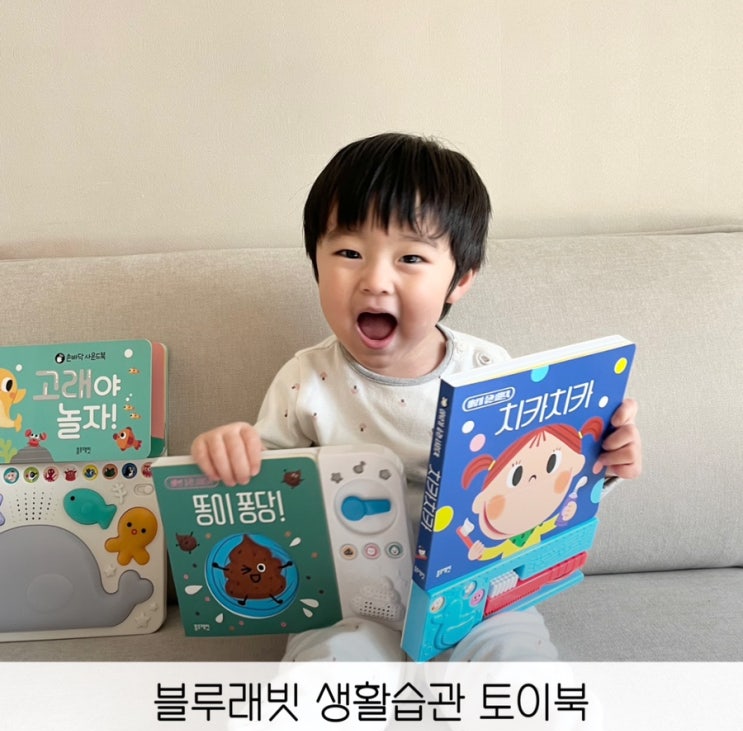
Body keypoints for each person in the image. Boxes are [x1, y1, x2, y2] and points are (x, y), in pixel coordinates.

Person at [191, 132, 642, 665]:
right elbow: (263, 497)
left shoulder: (490, 371)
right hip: (349, 604)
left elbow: (537, 486)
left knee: (516, 666)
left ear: (460, 279)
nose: (375, 280)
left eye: (410, 257)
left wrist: (604, 459)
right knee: (328, 669)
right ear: (315, 261)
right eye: (349, 252)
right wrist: (231, 453)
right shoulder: (304, 381)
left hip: (478, 599)